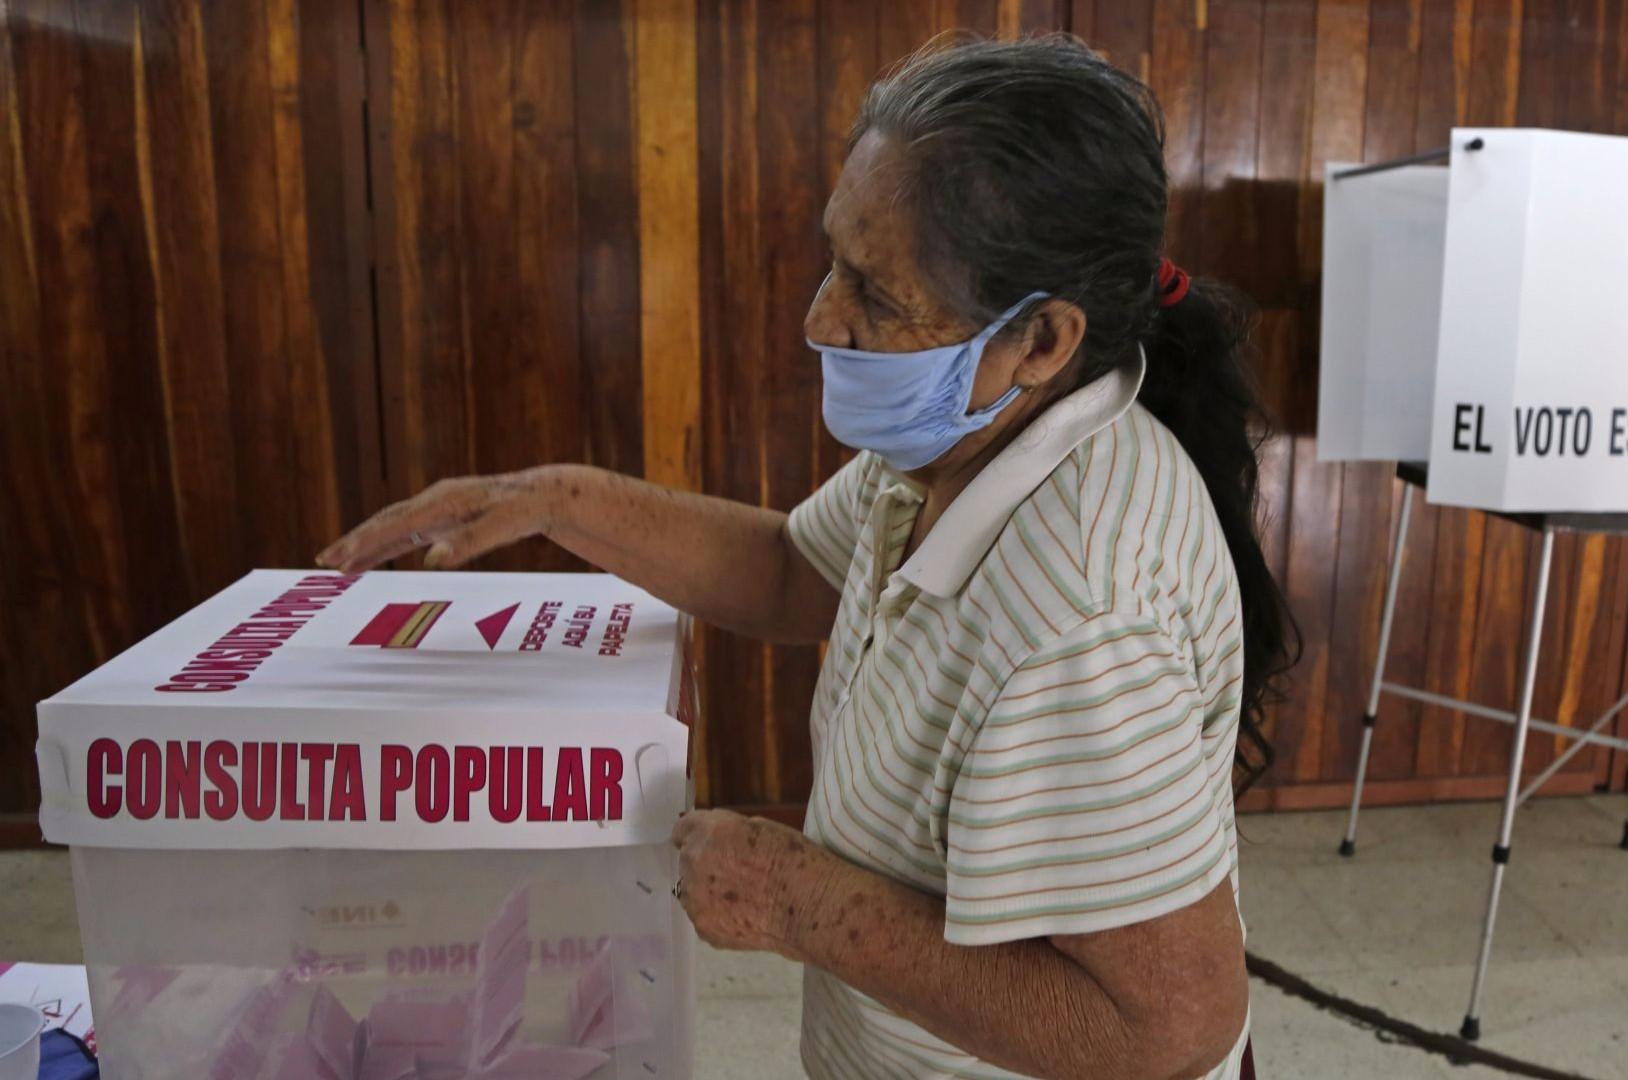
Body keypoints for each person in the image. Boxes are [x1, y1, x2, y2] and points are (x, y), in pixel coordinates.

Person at [319, 34, 1293, 1080]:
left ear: (1042, 341)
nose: (818, 318)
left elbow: (1167, 1030)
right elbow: (791, 569)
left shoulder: (1085, 612)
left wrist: (803, 905)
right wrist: (554, 502)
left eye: (875, 295)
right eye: (835, 259)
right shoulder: (954, 445)